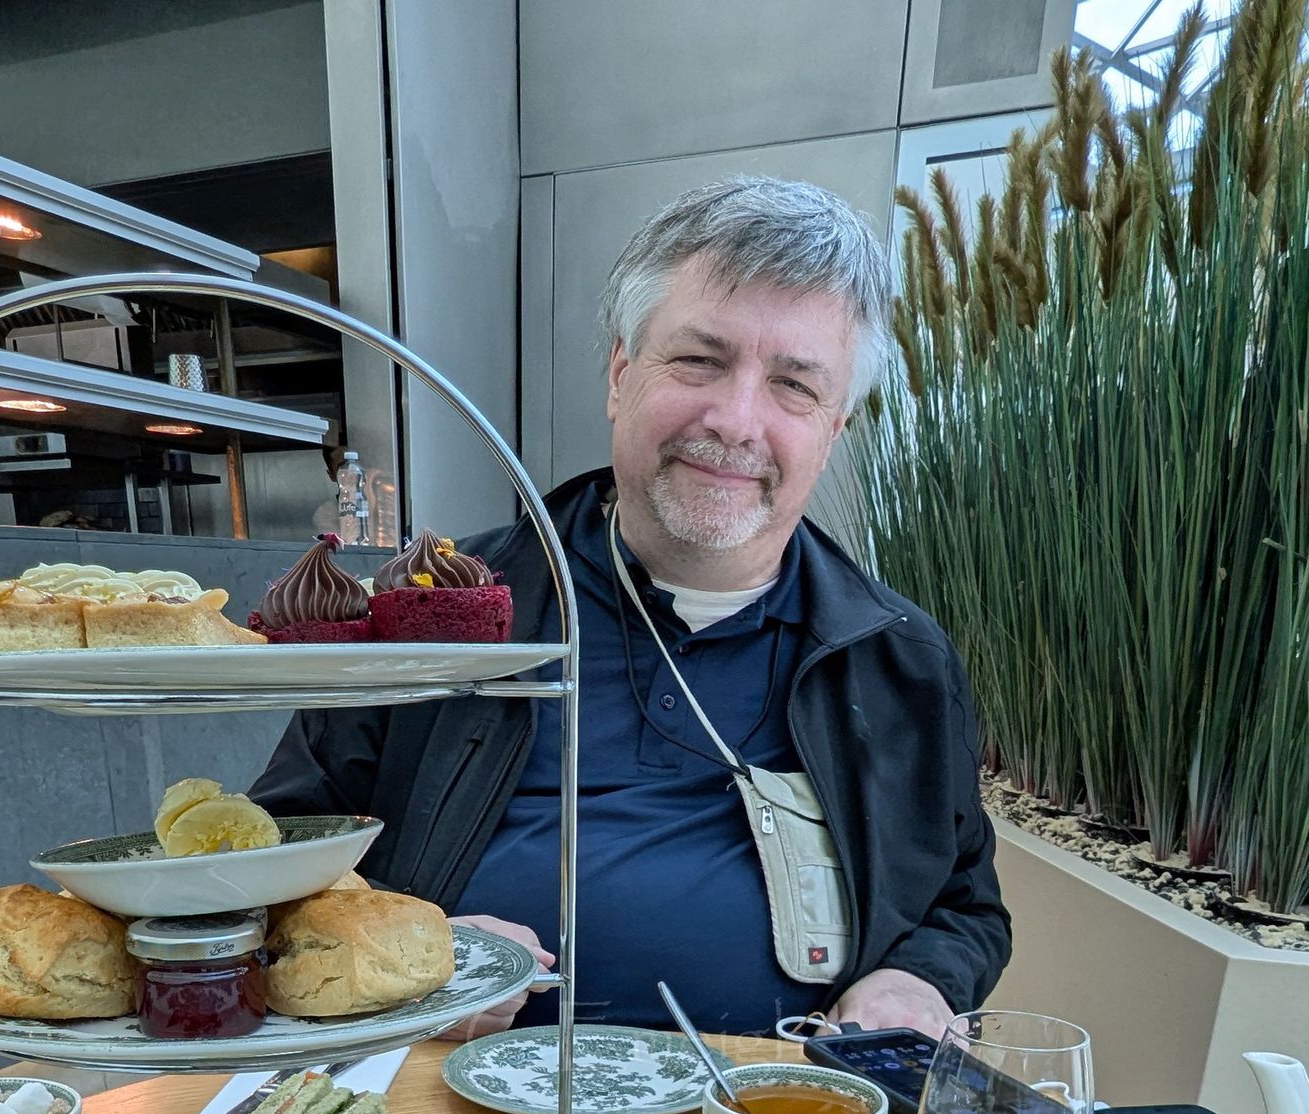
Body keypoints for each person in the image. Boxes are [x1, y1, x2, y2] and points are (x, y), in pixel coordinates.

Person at [251, 177, 1009, 1041]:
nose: (735, 420)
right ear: (620, 375)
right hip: (448, 1092)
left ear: (833, 428)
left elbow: (960, 903)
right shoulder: (430, 614)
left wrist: (917, 982)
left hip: (778, 1102)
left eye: (794, 385)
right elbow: (270, 854)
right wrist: (411, 949)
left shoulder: (897, 659)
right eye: (700, 361)